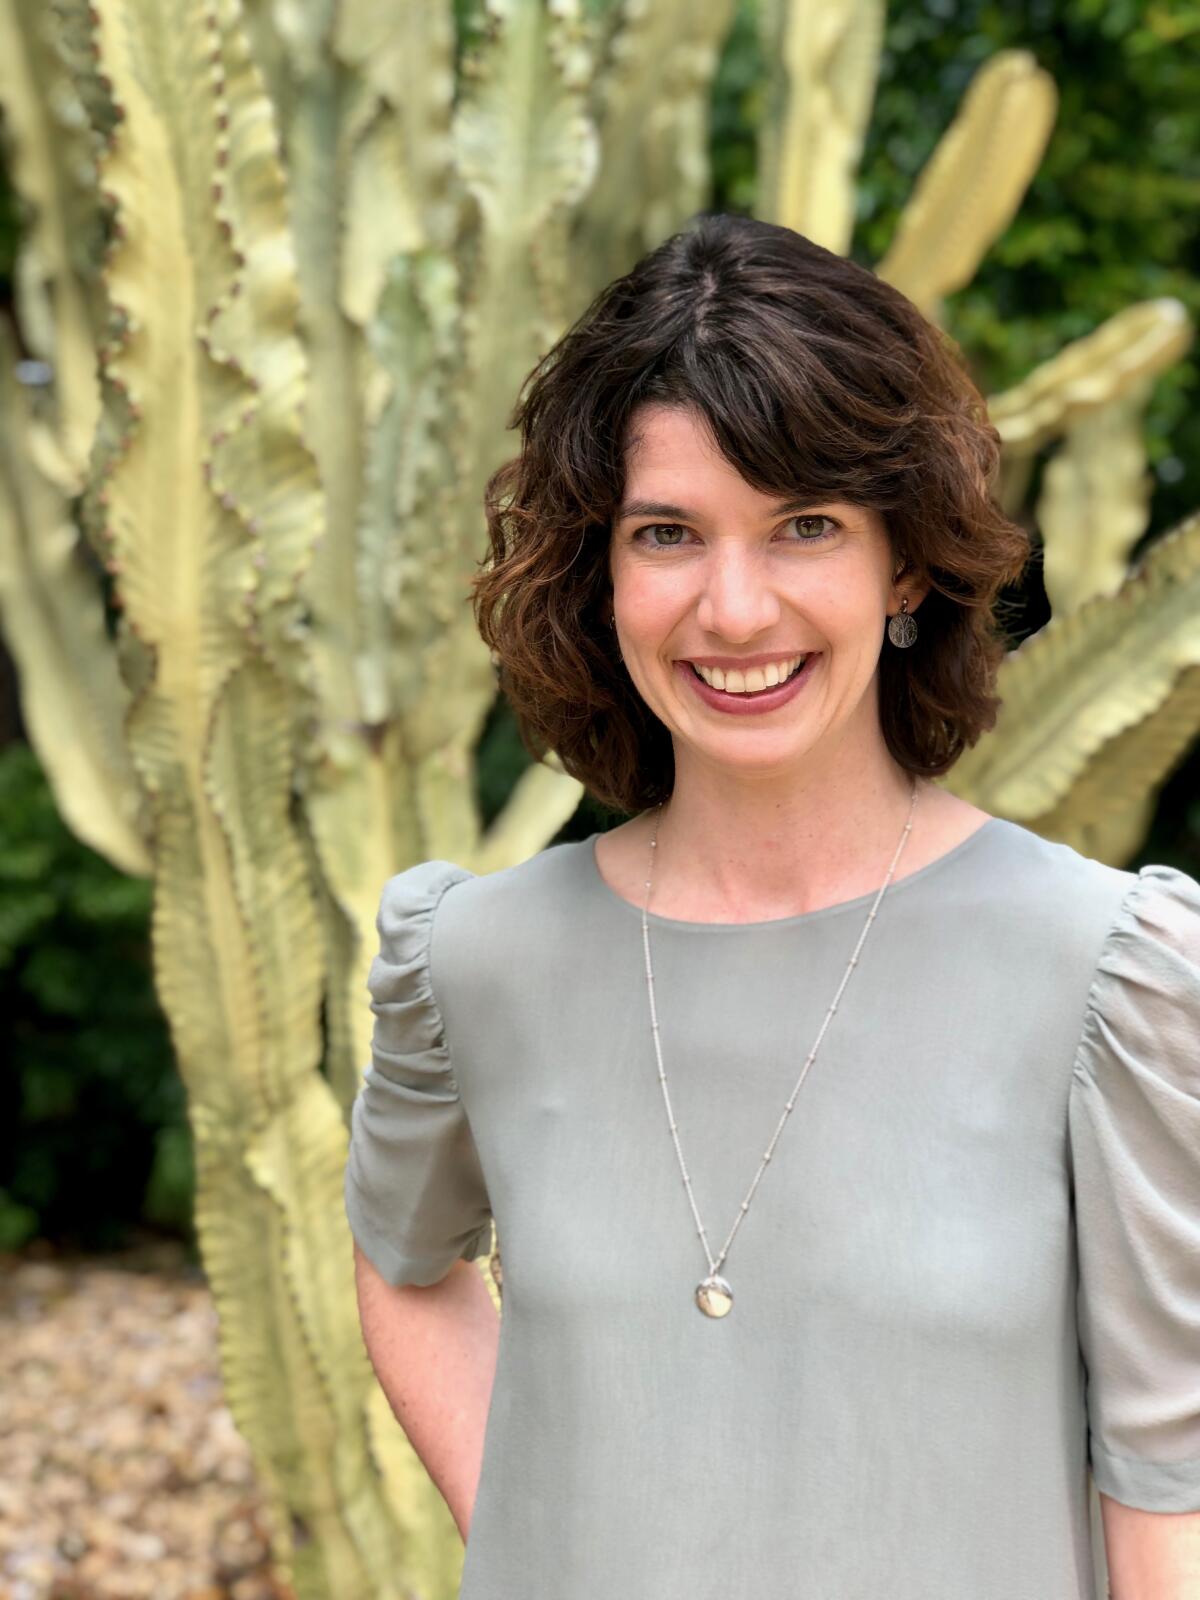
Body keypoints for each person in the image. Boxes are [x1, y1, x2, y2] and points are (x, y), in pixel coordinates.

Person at [344, 214, 1200, 1599]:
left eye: (804, 526)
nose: (734, 609)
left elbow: (1171, 1490)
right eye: (668, 533)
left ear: (904, 564)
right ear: (600, 572)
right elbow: (405, 1268)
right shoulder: (476, 960)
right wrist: (534, 1538)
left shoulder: (1108, 973)